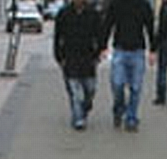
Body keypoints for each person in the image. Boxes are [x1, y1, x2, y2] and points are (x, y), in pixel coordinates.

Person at [102, 0, 154, 132]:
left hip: (138, 51)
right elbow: (108, 23)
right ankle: (119, 109)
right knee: (117, 84)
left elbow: (150, 26)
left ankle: (131, 118)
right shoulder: (116, 3)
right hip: (120, 50)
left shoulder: (144, 4)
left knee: (136, 87)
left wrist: (153, 50)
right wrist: (103, 46)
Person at [53, 0, 103, 130]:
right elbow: (58, 37)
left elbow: (100, 35)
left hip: (88, 58)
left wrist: (98, 54)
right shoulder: (64, 14)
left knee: (90, 89)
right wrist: (59, 56)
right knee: (75, 92)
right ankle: (78, 119)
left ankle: (85, 107)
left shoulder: (93, 14)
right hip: (70, 58)